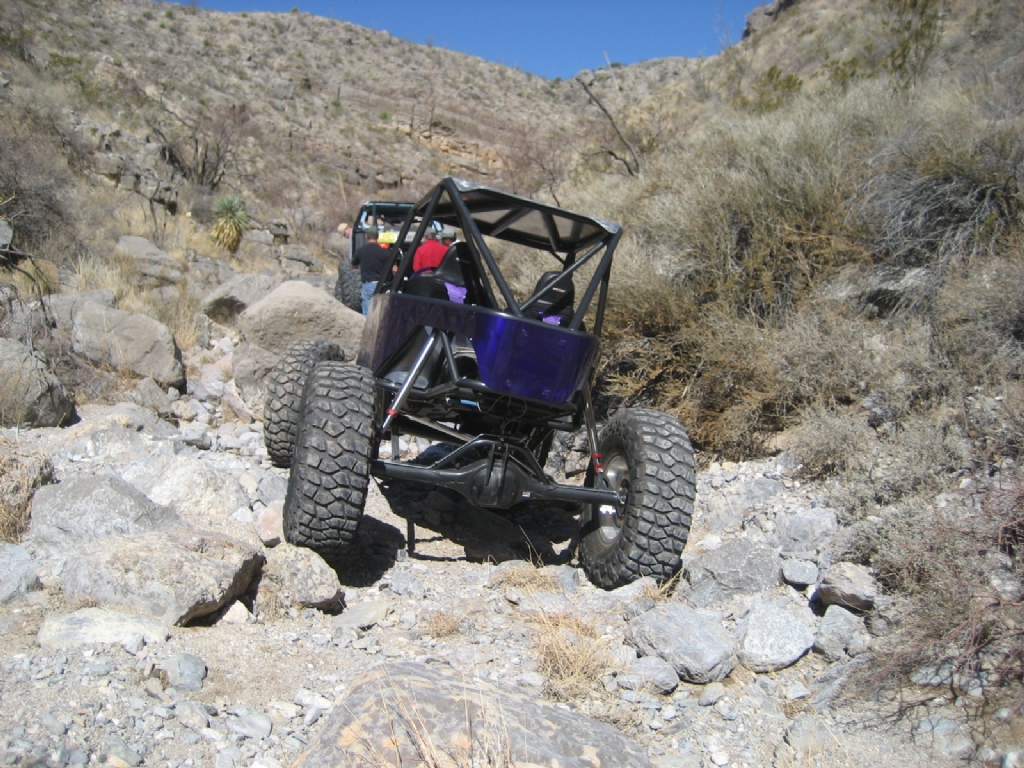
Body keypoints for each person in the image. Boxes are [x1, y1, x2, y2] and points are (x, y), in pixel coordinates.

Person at [352, 226, 391, 314]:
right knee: (382, 311)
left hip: (368, 284)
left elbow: (354, 266)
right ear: (377, 237)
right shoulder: (386, 252)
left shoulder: (360, 251)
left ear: (366, 236)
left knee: (367, 312)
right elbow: (394, 269)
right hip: (383, 286)